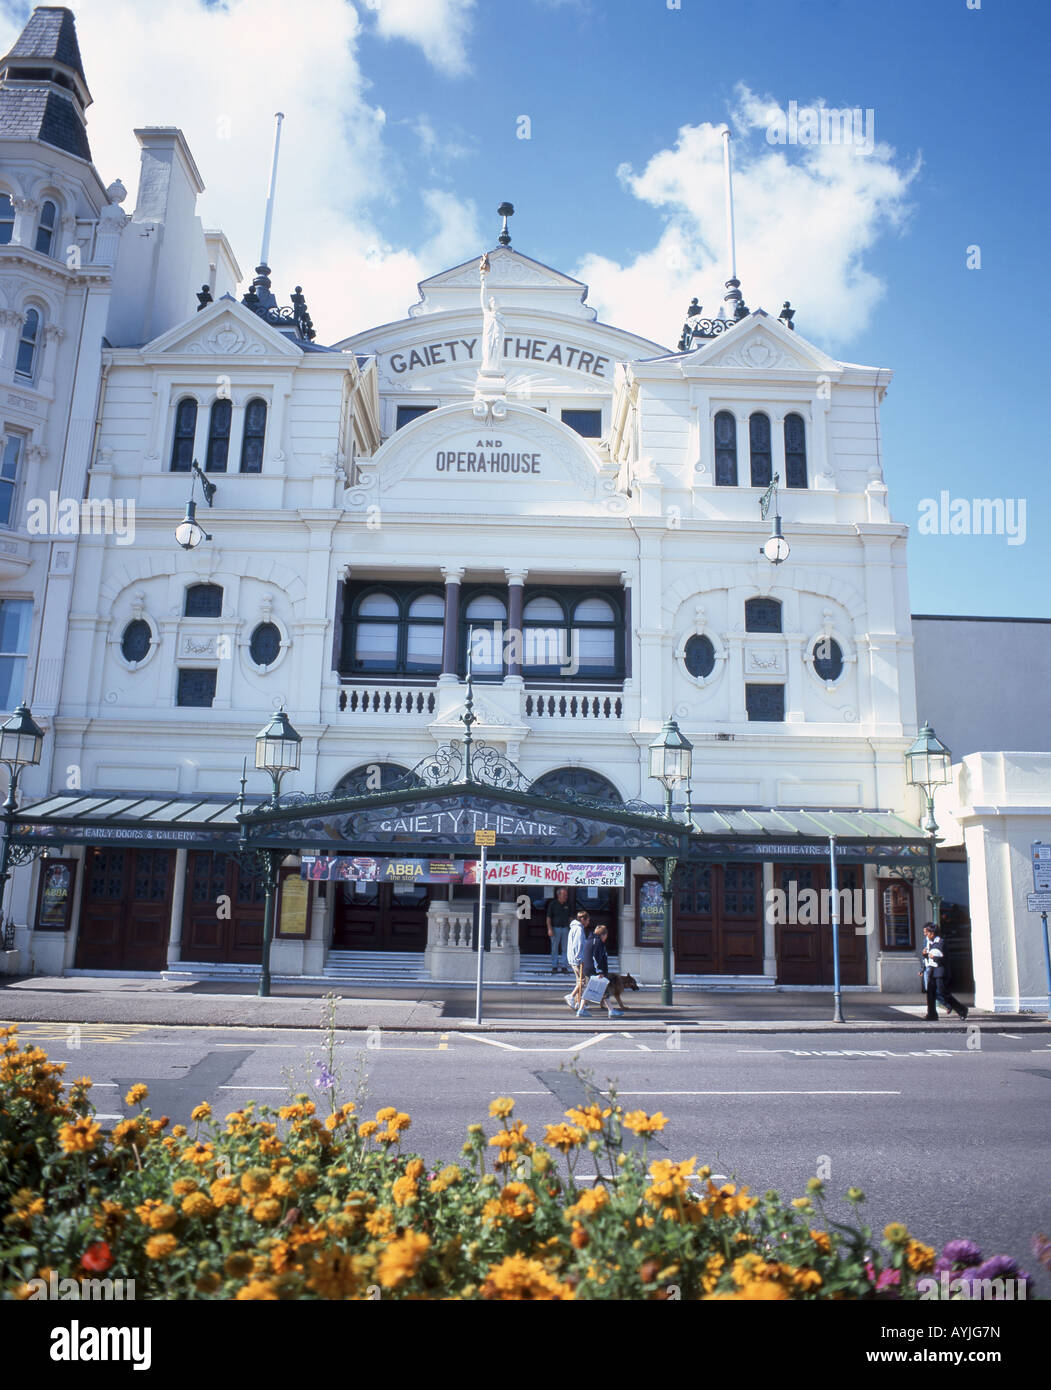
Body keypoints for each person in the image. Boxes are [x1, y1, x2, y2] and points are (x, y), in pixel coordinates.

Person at [920, 923, 968, 1020]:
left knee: (942, 992)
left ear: (932, 933)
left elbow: (945, 959)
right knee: (930, 993)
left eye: (926, 932)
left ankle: (961, 1009)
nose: (925, 935)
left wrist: (935, 957)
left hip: (940, 971)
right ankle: (932, 1014)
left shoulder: (941, 942)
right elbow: (928, 958)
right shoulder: (928, 942)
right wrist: (924, 955)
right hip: (931, 970)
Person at [577, 922, 624, 1020]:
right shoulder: (598, 942)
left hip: (588, 969)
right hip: (594, 970)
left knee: (591, 990)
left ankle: (581, 1010)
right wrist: (600, 971)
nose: (606, 938)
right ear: (603, 934)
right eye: (606, 935)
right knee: (602, 990)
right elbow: (596, 958)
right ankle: (610, 1011)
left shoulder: (590, 941)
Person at [566, 909, 590, 1011]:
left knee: (579, 981)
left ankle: (578, 1002)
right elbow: (578, 945)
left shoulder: (574, 928)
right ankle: (571, 997)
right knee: (582, 981)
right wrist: (580, 959)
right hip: (577, 959)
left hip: (573, 958)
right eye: (588, 920)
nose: (588, 923)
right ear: (583, 919)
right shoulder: (579, 929)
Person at [546, 887, 573, 975]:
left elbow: (570, 917)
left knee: (565, 948)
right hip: (555, 928)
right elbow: (548, 917)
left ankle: (564, 967)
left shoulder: (568, 904)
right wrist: (549, 929)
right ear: (558, 895)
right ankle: (555, 966)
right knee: (554, 948)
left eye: (566, 895)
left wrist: (571, 928)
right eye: (564, 895)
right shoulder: (553, 904)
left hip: (565, 929)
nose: (566, 896)